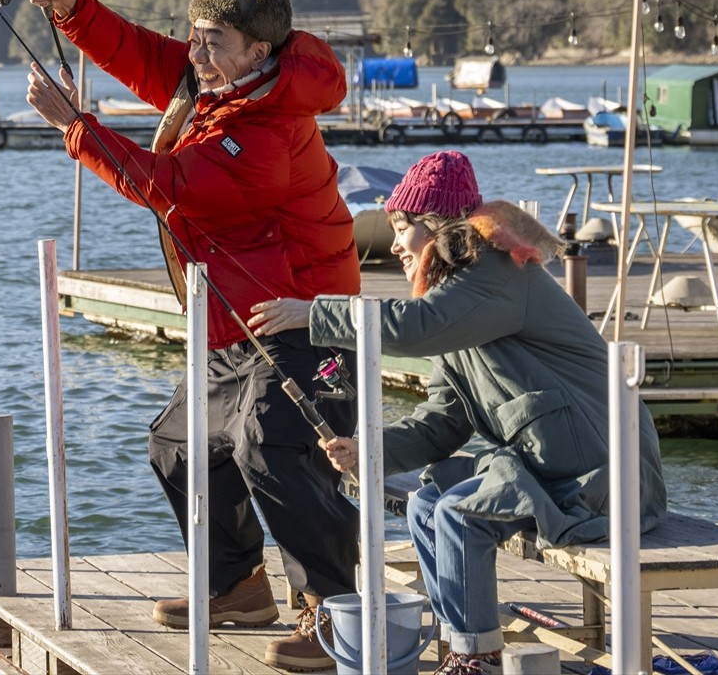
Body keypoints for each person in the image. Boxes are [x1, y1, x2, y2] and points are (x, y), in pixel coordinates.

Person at [24, 0, 362, 671]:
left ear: (257, 51)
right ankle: (237, 586)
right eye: (196, 34)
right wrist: (71, 9)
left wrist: (76, 127)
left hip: (306, 324)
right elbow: (146, 55)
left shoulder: (267, 130)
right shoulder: (215, 83)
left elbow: (167, 186)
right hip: (236, 318)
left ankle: (334, 613)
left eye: (212, 40)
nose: (195, 52)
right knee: (178, 445)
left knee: (277, 448)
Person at [249, 150, 668, 675]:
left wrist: (315, 312)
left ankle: (478, 659)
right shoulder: (457, 299)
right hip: (555, 460)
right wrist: (369, 450)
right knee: (428, 505)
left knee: (459, 513)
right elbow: (444, 420)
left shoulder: (491, 273)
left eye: (403, 228)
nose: (396, 243)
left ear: (436, 227)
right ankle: (462, 645)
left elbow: (412, 327)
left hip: (604, 468)